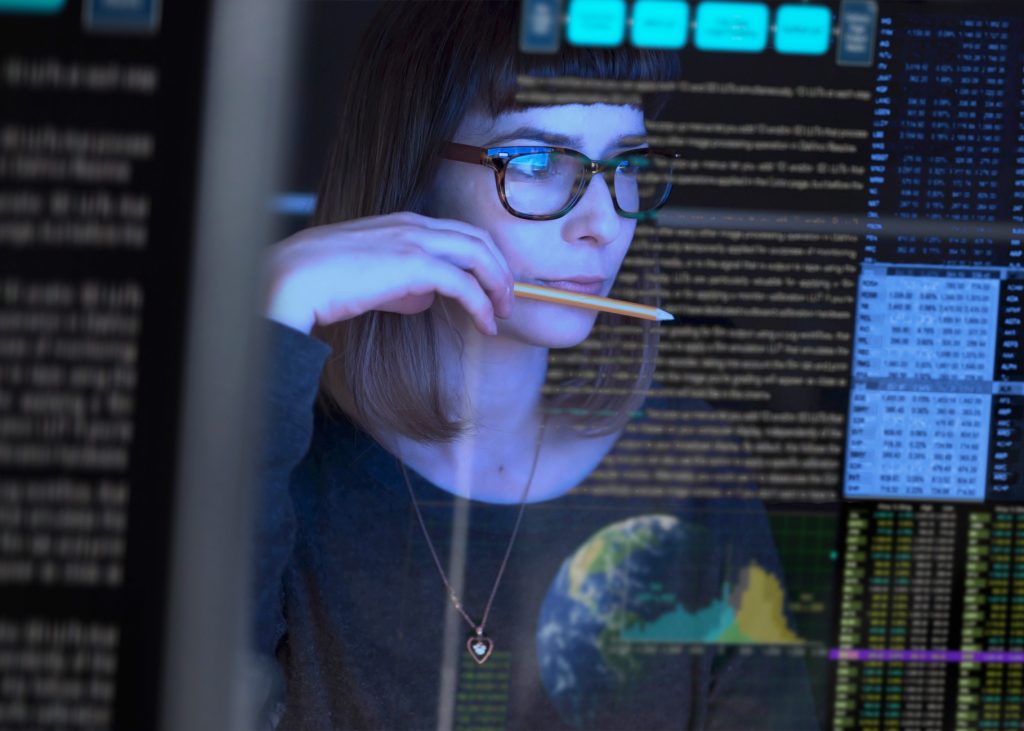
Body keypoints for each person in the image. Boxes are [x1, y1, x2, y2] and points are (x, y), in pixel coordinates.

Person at [254, 1, 819, 729]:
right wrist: (275, 309)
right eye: (534, 160)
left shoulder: (691, 466)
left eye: (626, 165)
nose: (604, 224)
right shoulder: (284, 463)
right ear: (410, 170)